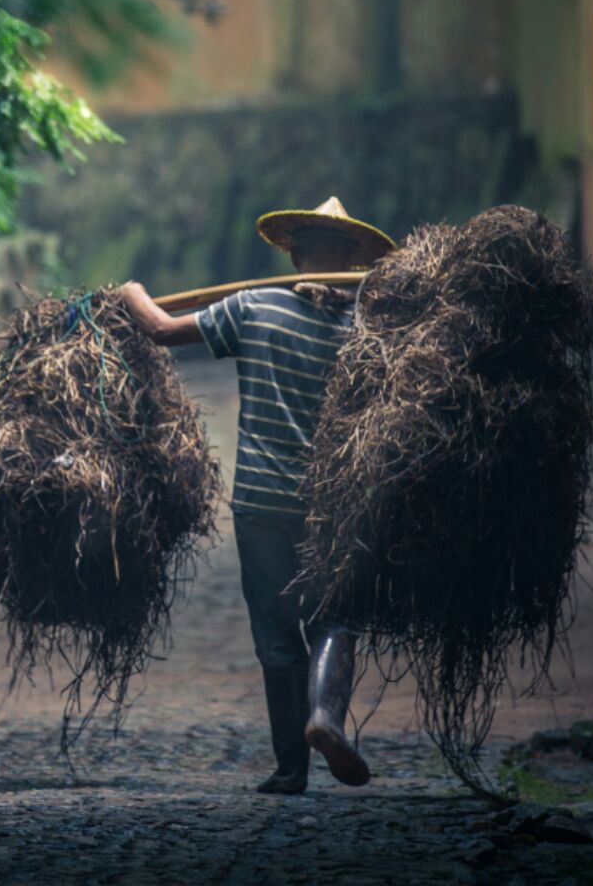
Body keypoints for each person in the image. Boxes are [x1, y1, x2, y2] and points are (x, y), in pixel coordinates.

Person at [120, 197, 396, 794]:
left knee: (276, 633)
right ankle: (325, 715)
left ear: (294, 251)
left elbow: (161, 329)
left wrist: (132, 291)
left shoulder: (254, 305)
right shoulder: (371, 333)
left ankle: (289, 769)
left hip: (261, 500)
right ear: (350, 258)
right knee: (337, 618)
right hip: (336, 504)